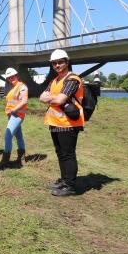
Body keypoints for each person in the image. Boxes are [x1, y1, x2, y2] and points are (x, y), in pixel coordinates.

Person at [39, 49, 84, 197]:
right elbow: (41, 97)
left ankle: (70, 186)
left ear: (67, 62)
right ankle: (64, 180)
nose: (57, 65)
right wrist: (55, 97)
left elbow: (59, 100)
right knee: (60, 153)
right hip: (55, 122)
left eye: (60, 62)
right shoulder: (55, 80)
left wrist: (52, 97)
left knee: (68, 154)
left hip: (68, 124)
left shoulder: (72, 79)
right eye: (54, 63)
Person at [1, 67, 28, 167]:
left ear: (16, 76)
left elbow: (24, 101)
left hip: (17, 114)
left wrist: (13, 110)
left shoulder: (22, 86)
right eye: (9, 77)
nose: (10, 78)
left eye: (12, 76)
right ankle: (22, 158)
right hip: (12, 115)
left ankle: (5, 160)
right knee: (19, 136)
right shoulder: (13, 87)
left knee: (8, 136)